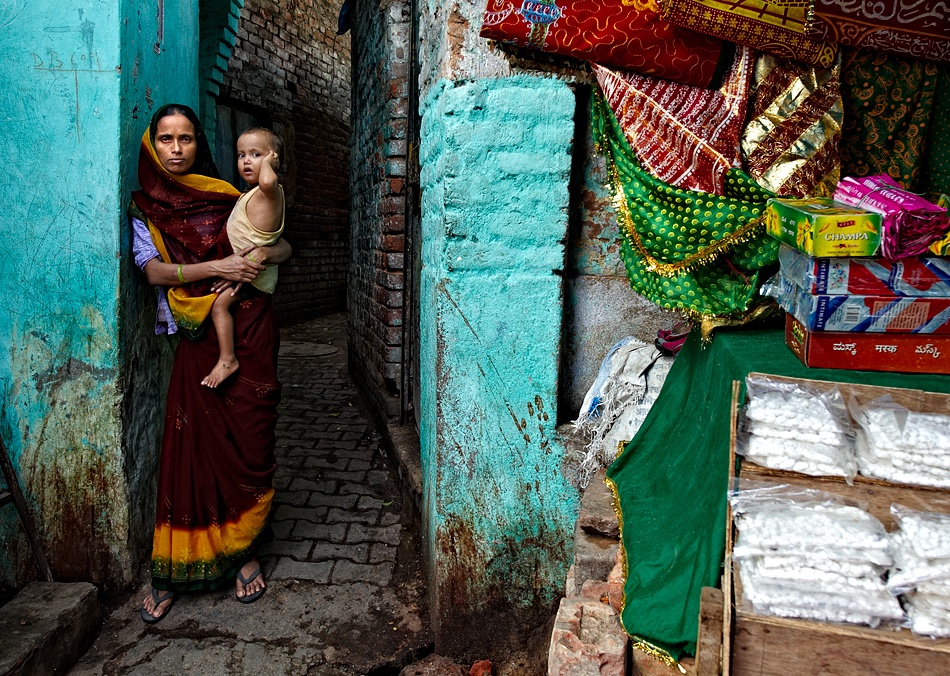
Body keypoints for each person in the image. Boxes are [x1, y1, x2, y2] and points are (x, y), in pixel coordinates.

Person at [130, 103, 292, 623]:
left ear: (200, 143)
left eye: (186, 139)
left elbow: (281, 243)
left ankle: (244, 551)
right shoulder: (145, 209)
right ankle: (177, 568)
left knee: (248, 435)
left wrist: (261, 259)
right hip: (198, 337)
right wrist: (216, 265)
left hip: (251, 330)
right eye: (166, 140)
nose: (176, 149)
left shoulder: (226, 196)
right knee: (193, 447)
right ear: (152, 145)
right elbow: (153, 274)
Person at [201, 128, 285, 388]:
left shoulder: (269, 192)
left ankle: (228, 359)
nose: (246, 161)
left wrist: (270, 165)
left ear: (274, 159)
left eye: (255, 154)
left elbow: (269, 182)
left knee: (219, 306)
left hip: (251, 277)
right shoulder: (249, 194)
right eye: (241, 155)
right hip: (247, 271)